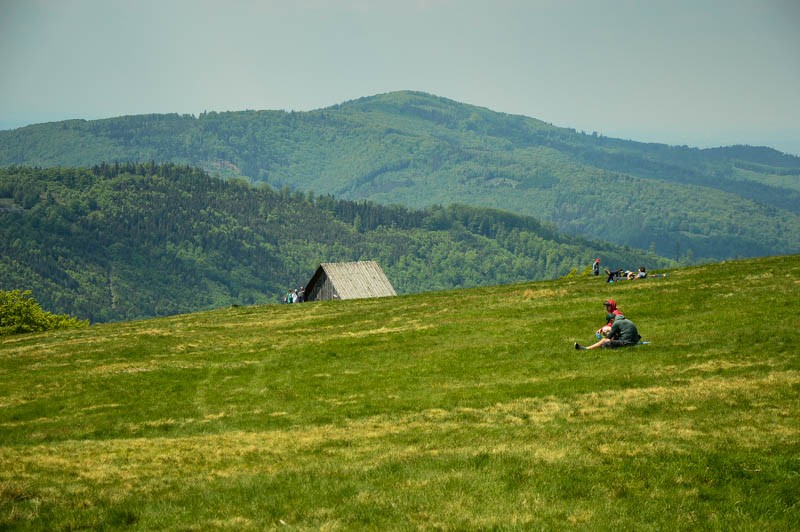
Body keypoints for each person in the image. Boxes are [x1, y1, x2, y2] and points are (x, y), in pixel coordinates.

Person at [576, 313, 641, 350]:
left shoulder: (616, 323)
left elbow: (607, 338)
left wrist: (603, 337)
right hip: (635, 341)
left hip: (629, 343)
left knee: (605, 344)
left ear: (612, 320)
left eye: (610, 322)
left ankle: (587, 348)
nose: (610, 324)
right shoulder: (626, 320)